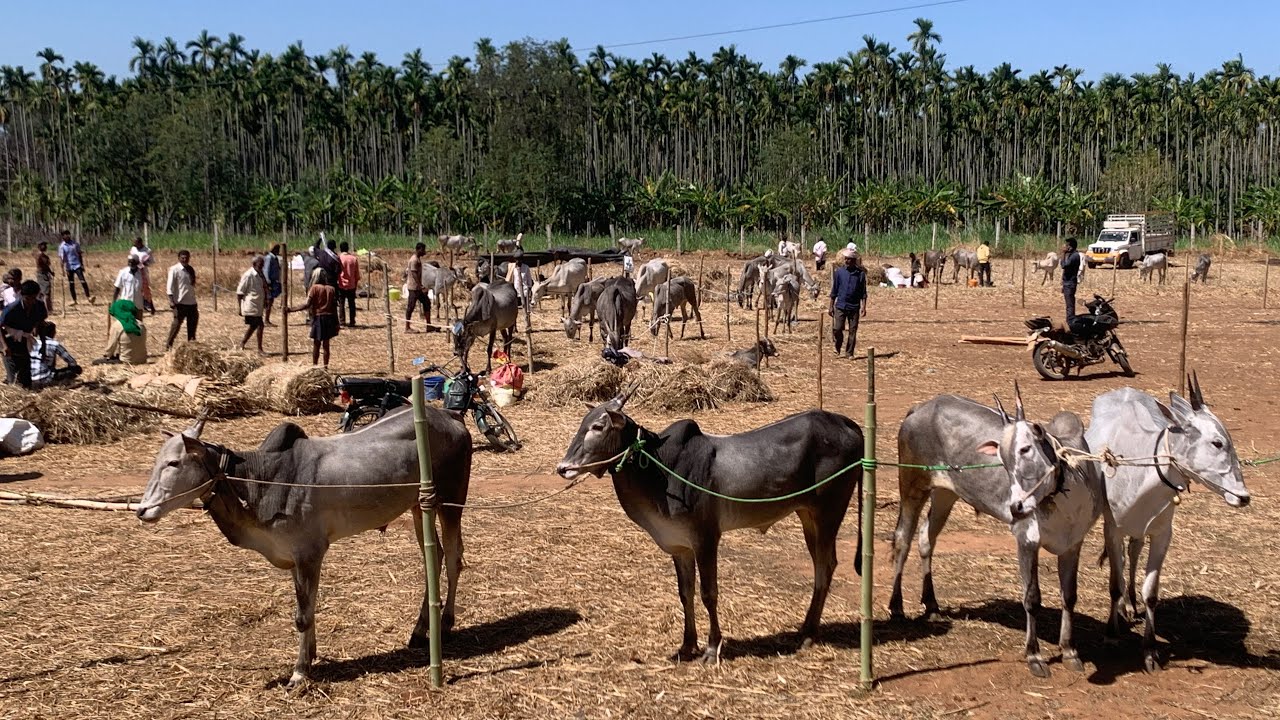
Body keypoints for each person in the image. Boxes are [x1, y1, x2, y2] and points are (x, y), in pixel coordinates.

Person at [1, 281, 48, 387]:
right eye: (28, 299)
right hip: (8, 340)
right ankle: (10, 379)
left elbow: (40, 325)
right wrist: (4, 347)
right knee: (15, 383)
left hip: (23, 340)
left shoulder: (39, 306)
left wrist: (43, 346)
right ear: (22, 295)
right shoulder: (12, 309)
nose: (30, 302)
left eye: (33, 298)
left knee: (26, 382)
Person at [290, 269, 339, 367]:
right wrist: (337, 323)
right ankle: (325, 367)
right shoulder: (331, 289)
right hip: (329, 318)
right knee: (326, 344)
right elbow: (334, 308)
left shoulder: (314, 288)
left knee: (316, 344)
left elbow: (307, 304)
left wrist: (291, 309)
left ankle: (315, 366)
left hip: (319, 317)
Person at [828, 249, 868, 359]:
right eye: (845, 259)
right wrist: (831, 306)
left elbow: (863, 293)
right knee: (837, 328)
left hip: (854, 306)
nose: (846, 261)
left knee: (852, 331)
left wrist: (864, 307)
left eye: (849, 259)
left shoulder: (860, 275)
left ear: (854, 261)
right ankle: (837, 346)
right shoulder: (839, 272)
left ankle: (849, 352)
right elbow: (834, 290)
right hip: (840, 305)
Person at [165, 249, 199, 350]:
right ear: (179, 258)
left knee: (192, 324)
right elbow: (169, 286)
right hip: (179, 302)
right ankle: (169, 344)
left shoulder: (191, 269)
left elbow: (192, 285)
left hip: (191, 302)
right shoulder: (174, 269)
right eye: (182, 258)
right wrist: (171, 300)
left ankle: (191, 346)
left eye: (186, 257)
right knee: (176, 324)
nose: (185, 259)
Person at [30, 322, 80, 388]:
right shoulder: (54, 344)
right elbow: (72, 362)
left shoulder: (33, 342)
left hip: (31, 379)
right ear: (52, 332)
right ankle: (63, 383)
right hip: (46, 378)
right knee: (77, 369)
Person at [100, 298, 147, 364]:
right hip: (142, 360)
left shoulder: (117, 326)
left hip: (126, 361)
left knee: (96, 362)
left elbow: (110, 348)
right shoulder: (141, 325)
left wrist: (107, 355)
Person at [236, 256, 267, 353]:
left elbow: (263, 288)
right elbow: (240, 292)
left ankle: (242, 343)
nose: (262, 266)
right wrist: (240, 307)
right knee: (259, 325)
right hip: (251, 304)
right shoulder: (248, 275)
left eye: (263, 264)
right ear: (254, 264)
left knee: (254, 326)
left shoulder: (260, 274)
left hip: (258, 304)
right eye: (260, 264)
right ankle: (259, 349)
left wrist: (265, 301)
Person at [57, 230, 93, 305]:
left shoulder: (75, 244)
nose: (65, 236)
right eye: (64, 235)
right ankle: (74, 300)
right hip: (69, 267)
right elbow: (61, 258)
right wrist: (63, 270)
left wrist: (82, 265)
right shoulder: (62, 246)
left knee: (82, 280)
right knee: (71, 283)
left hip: (77, 265)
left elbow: (79, 254)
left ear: (69, 235)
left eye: (67, 234)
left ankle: (89, 297)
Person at [404, 242, 430, 332]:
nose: (424, 251)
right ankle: (407, 327)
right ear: (419, 250)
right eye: (423, 250)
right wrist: (421, 286)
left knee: (427, 303)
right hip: (413, 288)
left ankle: (429, 325)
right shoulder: (414, 260)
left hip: (418, 288)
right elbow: (414, 274)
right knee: (410, 306)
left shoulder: (418, 259)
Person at [505, 249, 534, 327]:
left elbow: (529, 281)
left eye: (519, 259)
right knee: (514, 311)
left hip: (524, 292)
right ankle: (514, 326)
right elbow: (510, 279)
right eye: (516, 260)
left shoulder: (526, 268)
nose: (518, 261)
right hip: (515, 292)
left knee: (526, 310)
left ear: (522, 259)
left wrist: (529, 290)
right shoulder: (513, 268)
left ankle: (528, 325)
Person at [129, 236, 156, 313]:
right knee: (135, 287)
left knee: (145, 288)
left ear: (140, 242)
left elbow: (152, 261)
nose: (134, 244)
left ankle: (151, 306)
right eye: (134, 243)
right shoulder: (133, 249)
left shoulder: (147, 250)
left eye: (136, 243)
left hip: (143, 271)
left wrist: (145, 263)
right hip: (134, 270)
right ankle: (139, 305)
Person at [337, 241, 360, 327]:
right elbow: (356, 274)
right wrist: (355, 284)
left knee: (341, 304)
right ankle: (352, 321)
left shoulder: (338, 258)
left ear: (340, 249)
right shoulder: (354, 259)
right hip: (351, 285)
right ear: (347, 248)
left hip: (341, 285)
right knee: (352, 304)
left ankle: (342, 322)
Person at [1061, 237, 1082, 322]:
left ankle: (1070, 321)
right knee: (1068, 303)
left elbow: (1064, 265)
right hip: (1067, 282)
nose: (1065, 247)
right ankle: (1070, 319)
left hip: (1070, 283)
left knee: (1070, 304)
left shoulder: (1074, 256)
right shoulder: (1071, 255)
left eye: (1066, 245)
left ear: (1070, 247)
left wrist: (1063, 254)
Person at [263, 243, 282, 326]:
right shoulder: (269, 258)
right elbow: (266, 270)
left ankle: (267, 319)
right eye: (277, 249)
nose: (278, 251)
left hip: (274, 282)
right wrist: (268, 283)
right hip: (270, 283)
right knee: (268, 301)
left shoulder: (275, 258)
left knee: (271, 301)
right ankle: (266, 320)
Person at [33, 241, 54, 312]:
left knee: (41, 292)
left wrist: (50, 272)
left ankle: (39, 307)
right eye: (43, 245)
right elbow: (44, 266)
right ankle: (49, 309)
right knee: (46, 292)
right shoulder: (39, 256)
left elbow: (47, 265)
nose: (45, 247)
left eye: (45, 245)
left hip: (44, 274)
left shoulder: (44, 256)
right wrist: (50, 272)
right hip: (42, 274)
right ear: (39, 247)